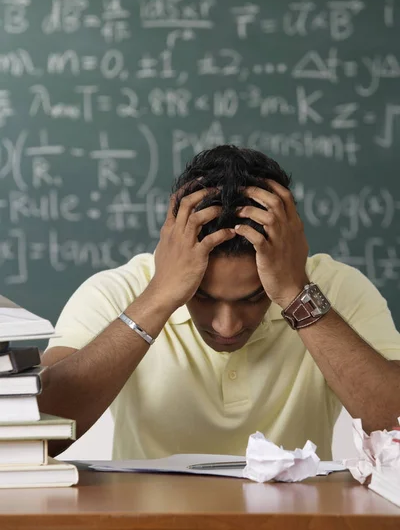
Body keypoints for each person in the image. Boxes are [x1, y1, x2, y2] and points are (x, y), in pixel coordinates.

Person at [39, 146, 400, 460]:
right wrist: (160, 296)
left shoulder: (334, 289)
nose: (227, 327)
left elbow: (395, 423)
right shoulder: (115, 292)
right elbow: (41, 430)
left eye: (254, 297)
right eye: (202, 296)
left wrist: (295, 293)